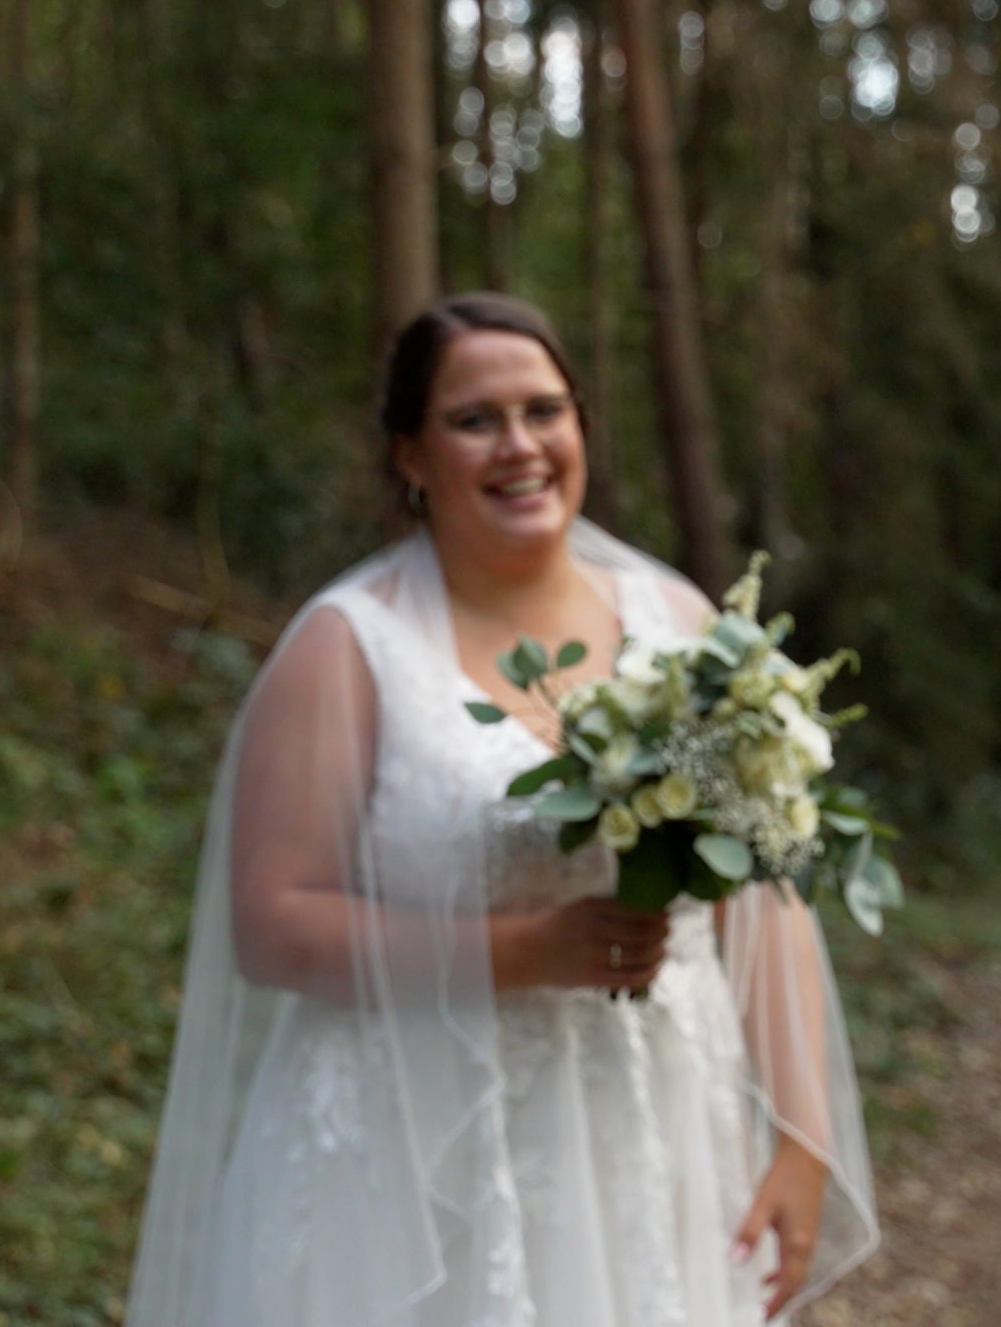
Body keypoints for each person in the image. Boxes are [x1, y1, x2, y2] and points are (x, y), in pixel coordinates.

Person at [125, 292, 876, 1326]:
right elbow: (271, 927)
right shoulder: (347, 648)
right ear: (411, 456)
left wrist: (799, 1133)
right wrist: (525, 949)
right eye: (475, 420)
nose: (519, 445)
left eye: (544, 410)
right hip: (414, 1166)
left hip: (655, 1131)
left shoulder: (683, 625)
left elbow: (764, 893)